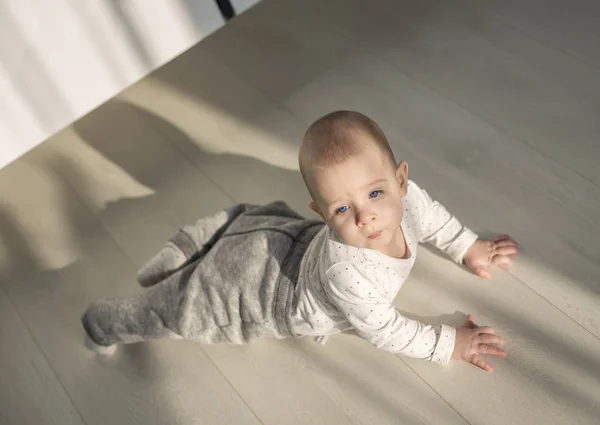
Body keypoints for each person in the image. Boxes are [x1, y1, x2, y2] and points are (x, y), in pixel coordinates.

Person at [82, 110, 518, 372]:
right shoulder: (348, 271)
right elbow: (386, 330)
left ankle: (192, 243)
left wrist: (467, 245)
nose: (366, 215)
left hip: (286, 236)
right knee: (182, 309)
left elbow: (436, 218)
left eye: (375, 193)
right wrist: (449, 344)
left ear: (402, 181)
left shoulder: (413, 200)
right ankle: (104, 320)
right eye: (342, 209)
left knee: (245, 219)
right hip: (264, 291)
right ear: (322, 213)